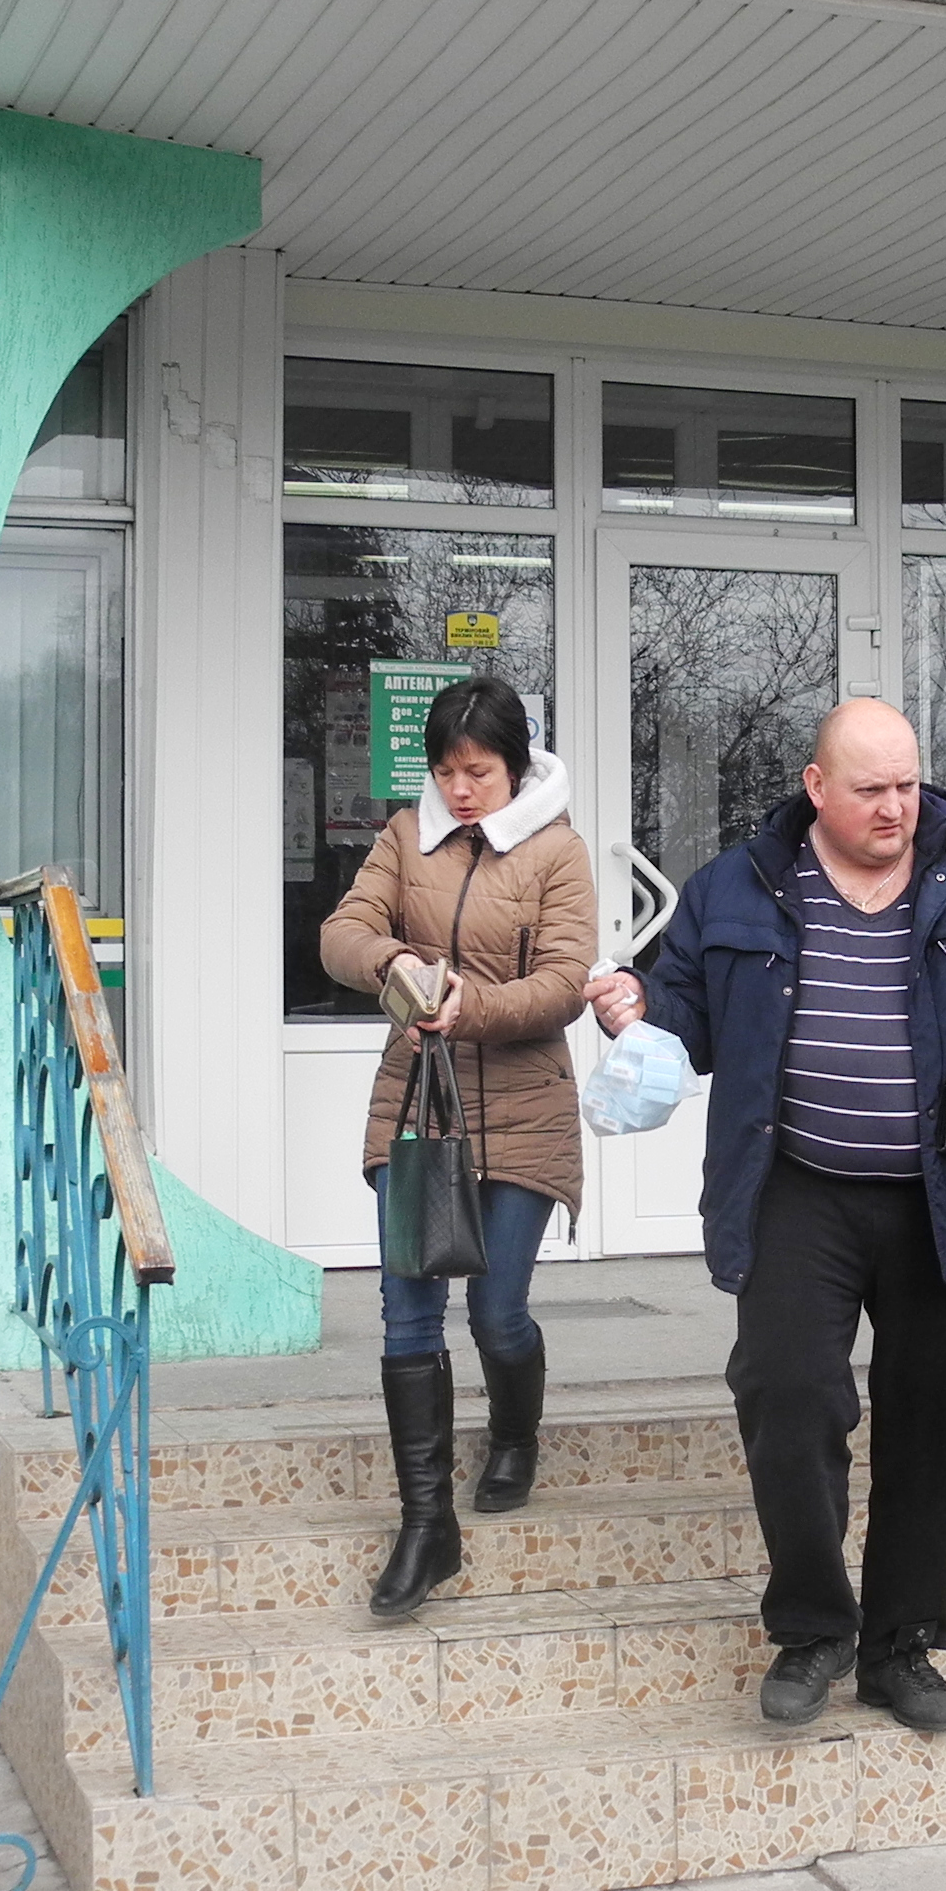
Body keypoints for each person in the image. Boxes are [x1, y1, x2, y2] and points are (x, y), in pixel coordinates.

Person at [585, 699, 946, 1732]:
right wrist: (634, 1009)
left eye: (908, 785)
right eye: (870, 789)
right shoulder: (736, 884)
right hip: (796, 1190)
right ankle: (813, 1626)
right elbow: (678, 1006)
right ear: (817, 788)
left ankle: (900, 1648)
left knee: (934, 1422)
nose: (896, 808)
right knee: (786, 1397)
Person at [316, 678, 596, 1619]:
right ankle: (426, 1523)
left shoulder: (558, 852)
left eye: (477, 771)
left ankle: (515, 1432)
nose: (460, 789)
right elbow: (342, 932)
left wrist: (472, 1003)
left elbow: (564, 983)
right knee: (406, 1311)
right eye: (445, 771)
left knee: (498, 1308)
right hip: (419, 1108)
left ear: (516, 765)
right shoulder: (407, 836)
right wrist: (389, 961)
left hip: (525, 1107)